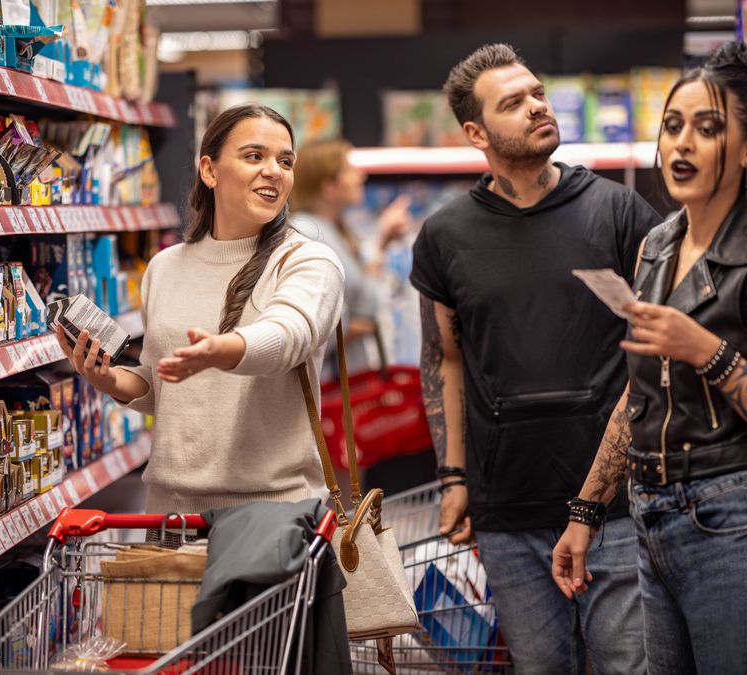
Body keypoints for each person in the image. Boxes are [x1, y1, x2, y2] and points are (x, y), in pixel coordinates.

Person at [552, 42, 747, 674]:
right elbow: (637, 394)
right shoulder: (657, 246)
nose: (682, 144)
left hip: (738, 527)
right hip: (651, 521)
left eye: (708, 128)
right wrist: (587, 510)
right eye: (673, 126)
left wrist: (705, 349)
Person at [410, 43, 659, 674]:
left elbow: (659, 353)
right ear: (476, 132)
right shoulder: (445, 235)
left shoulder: (618, 210)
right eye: (513, 103)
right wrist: (454, 478)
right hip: (507, 509)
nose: (536, 108)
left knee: (626, 665)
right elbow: (444, 362)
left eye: (538, 94)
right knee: (540, 666)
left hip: (615, 505)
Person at [55, 104, 346, 515]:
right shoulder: (164, 267)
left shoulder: (307, 261)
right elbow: (164, 386)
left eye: (285, 161)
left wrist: (223, 350)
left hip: (271, 518)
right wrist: (110, 380)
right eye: (254, 156)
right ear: (209, 171)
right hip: (168, 514)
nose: (274, 171)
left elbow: (289, 335)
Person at [290, 138, 412, 375]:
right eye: (349, 169)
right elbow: (321, 329)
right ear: (329, 186)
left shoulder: (334, 229)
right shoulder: (307, 231)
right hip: (329, 386)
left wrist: (382, 241)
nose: (361, 176)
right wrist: (359, 326)